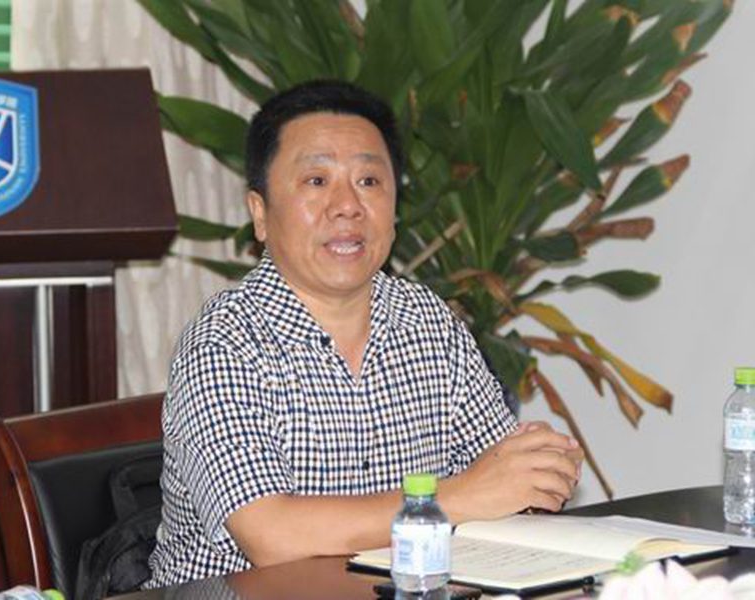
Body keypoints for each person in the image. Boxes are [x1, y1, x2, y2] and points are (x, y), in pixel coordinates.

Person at [145, 80, 583, 588]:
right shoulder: (223, 343)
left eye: (369, 181)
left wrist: (536, 470)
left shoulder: (428, 322)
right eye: (316, 180)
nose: (347, 206)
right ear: (260, 214)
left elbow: (498, 477)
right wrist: (459, 498)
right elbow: (271, 535)